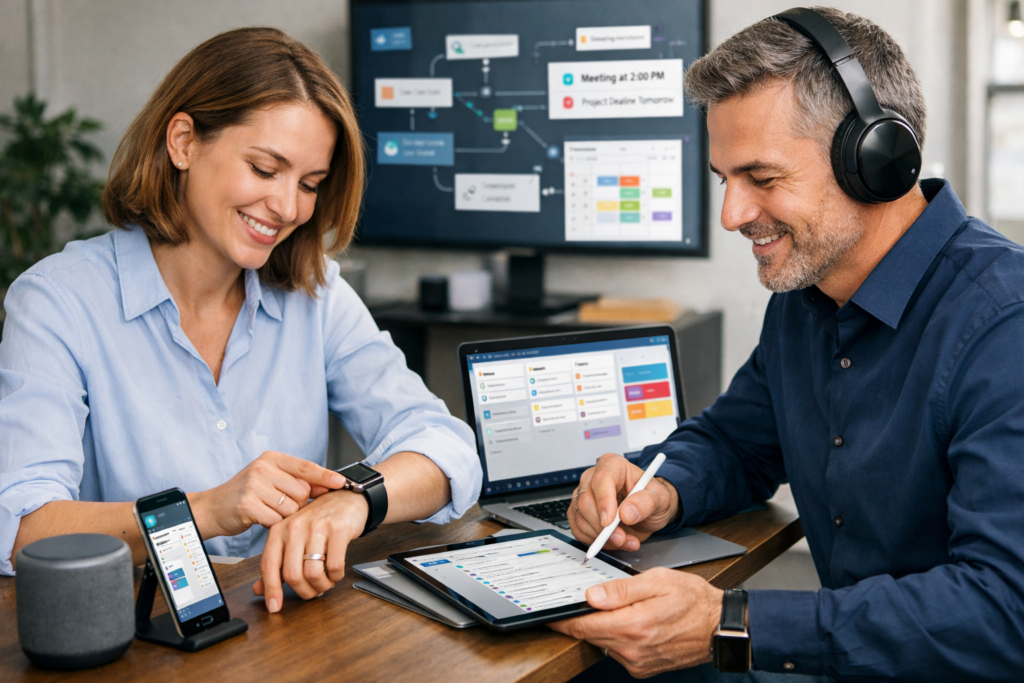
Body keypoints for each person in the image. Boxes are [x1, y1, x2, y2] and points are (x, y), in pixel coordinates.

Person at [553, 7, 1024, 682]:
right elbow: (738, 442)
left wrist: (733, 620)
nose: (732, 215)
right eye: (725, 181)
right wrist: (660, 486)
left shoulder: (1005, 323)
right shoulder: (809, 297)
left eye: (762, 179)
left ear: (876, 161)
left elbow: (1005, 610)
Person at [0, 27, 481, 614]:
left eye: (309, 184)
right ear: (183, 142)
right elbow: (23, 526)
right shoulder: (58, 300)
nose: (287, 208)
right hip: (143, 639)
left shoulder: (317, 292)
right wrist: (204, 510)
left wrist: (355, 500)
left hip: (289, 628)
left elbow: (445, 447)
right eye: (263, 168)